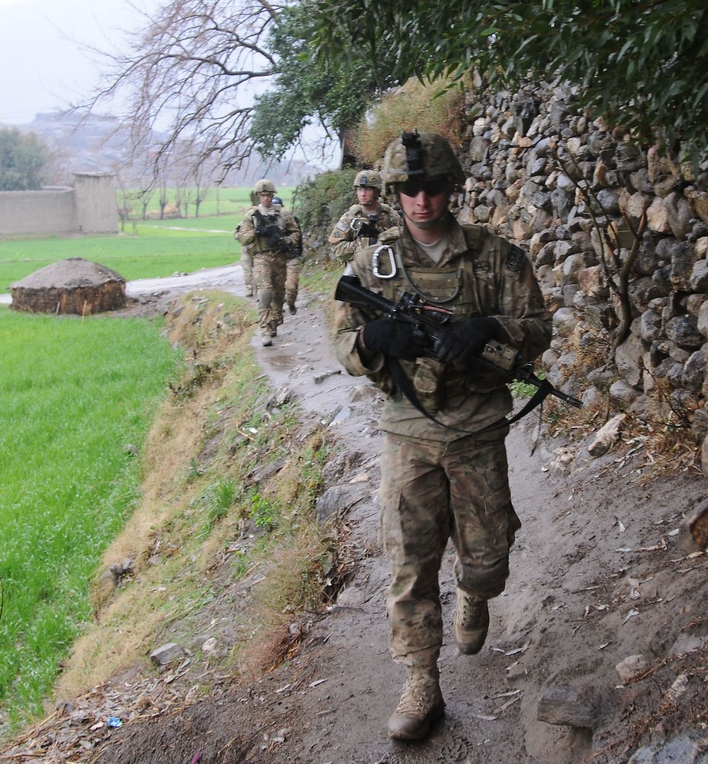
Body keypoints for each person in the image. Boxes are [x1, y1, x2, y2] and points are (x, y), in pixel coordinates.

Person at [332, 131, 553, 741]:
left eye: (432, 187)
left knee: (486, 557)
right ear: (395, 192)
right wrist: (372, 344)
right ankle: (421, 680)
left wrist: (488, 326)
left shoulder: (496, 257)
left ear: (450, 189)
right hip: (408, 431)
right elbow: (343, 342)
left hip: (477, 424)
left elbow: (538, 330)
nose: (421, 200)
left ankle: (476, 596)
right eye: (409, 188)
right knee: (410, 560)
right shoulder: (373, 265)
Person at [237, 179, 301, 346]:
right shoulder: (251, 215)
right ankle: (265, 329)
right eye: (263, 195)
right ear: (258, 196)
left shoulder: (282, 214)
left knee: (278, 294)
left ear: (273, 195)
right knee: (265, 293)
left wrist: (286, 240)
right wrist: (257, 232)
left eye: (269, 195)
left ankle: (275, 320)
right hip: (261, 257)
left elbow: (295, 232)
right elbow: (242, 237)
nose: (266, 198)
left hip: (279, 258)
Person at [328, 170, 398, 265]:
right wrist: (361, 245)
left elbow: (407, 240)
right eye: (359, 189)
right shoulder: (349, 218)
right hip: (360, 270)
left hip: (387, 268)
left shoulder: (389, 215)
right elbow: (336, 247)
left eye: (367, 190)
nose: (362, 194)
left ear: (377, 191)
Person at [273, 195, 304, 315]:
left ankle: (291, 302)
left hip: (291, 256)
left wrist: (298, 251)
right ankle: (277, 311)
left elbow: (298, 236)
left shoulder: (291, 219)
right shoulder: (267, 221)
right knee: (276, 288)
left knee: (291, 285)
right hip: (276, 258)